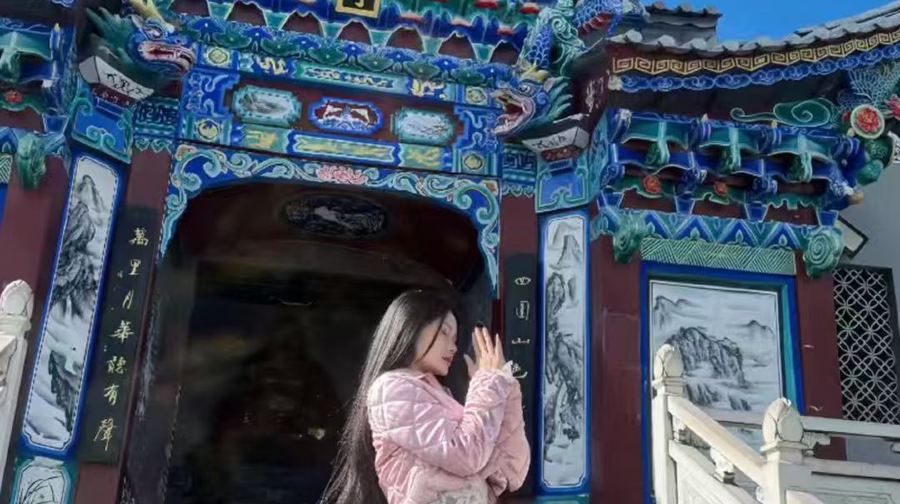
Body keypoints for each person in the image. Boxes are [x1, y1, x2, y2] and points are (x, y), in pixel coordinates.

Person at [321, 288, 530, 504]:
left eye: (455, 339)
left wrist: (504, 386)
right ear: (412, 326)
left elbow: (511, 471)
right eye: (444, 332)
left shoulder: (441, 397)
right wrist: (487, 384)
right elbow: (467, 455)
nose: (453, 347)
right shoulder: (391, 389)